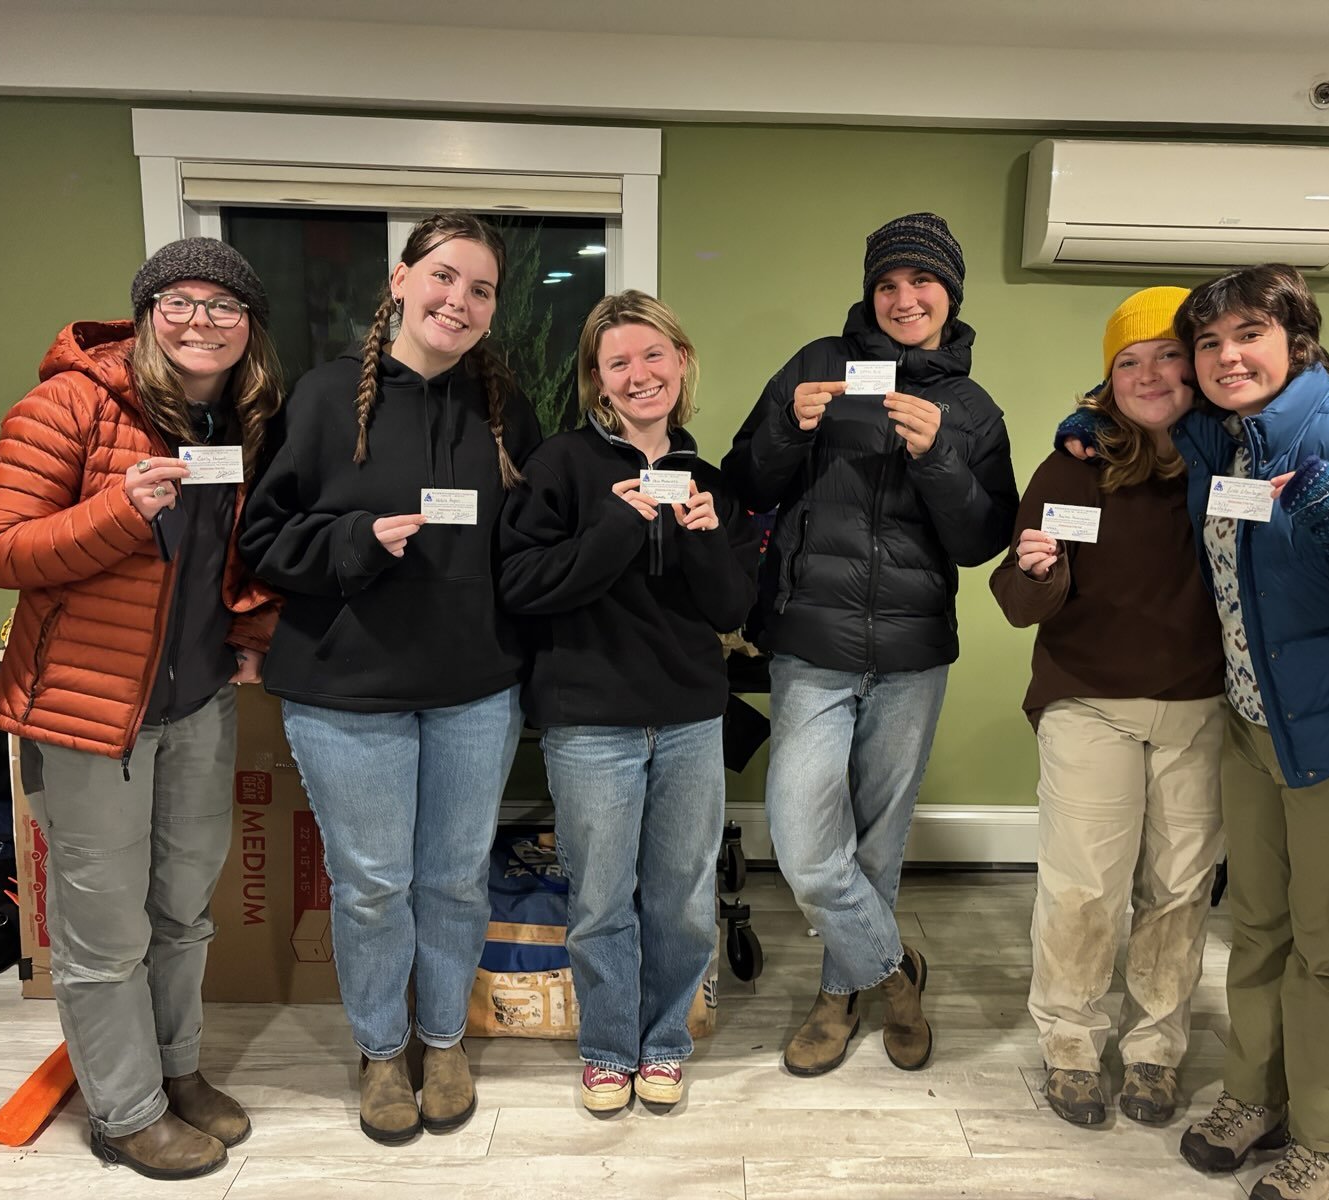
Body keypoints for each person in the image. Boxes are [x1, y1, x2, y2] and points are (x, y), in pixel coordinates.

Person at [1060, 264, 1329, 1199]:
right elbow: (1143, 407)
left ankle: (1328, 1139)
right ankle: (1255, 1094)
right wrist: (1085, 425)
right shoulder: (1222, 439)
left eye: (1248, 334)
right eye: (1209, 343)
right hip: (1255, 728)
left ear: (1299, 341)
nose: (1223, 356)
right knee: (1257, 931)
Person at [0, 238, 282, 1180]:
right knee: (104, 932)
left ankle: (177, 1074)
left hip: (196, 707)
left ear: (248, 331)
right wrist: (117, 510)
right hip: (86, 714)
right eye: (181, 301)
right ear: (147, 313)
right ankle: (124, 1110)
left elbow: (240, 557)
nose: (203, 321)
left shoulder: (238, 421)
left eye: (225, 307)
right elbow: (1, 549)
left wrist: (253, 633)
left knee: (184, 910)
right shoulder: (65, 405)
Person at [240, 213, 541, 1145]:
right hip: (344, 686)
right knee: (371, 884)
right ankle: (379, 1050)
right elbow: (262, 538)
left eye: (481, 289)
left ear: (493, 310)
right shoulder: (327, 399)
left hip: (475, 686)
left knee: (452, 879)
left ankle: (442, 1039)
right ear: (401, 279)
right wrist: (354, 541)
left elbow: (531, 544)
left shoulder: (508, 408)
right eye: (445, 277)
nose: (459, 300)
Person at [721, 212, 1018, 1077]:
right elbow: (743, 481)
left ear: (950, 294)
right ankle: (894, 973)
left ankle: (835, 993)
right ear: (869, 292)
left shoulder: (971, 408)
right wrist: (786, 427)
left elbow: (981, 540)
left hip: (914, 654)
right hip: (811, 644)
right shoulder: (818, 363)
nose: (903, 299)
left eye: (921, 284)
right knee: (809, 848)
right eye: (887, 284)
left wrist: (939, 463)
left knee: (877, 845)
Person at [498, 290, 757, 1112]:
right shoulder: (561, 468)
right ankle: (609, 1048)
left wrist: (711, 534)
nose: (640, 374)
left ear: (681, 365)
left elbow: (728, 611)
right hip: (590, 722)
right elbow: (521, 584)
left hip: (689, 717)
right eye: (620, 363)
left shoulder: (707, 478)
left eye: (654, 356)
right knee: (602, 898)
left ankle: (665, 1044)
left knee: (681, 898)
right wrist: (612, 530)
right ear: (597, 382)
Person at [992, 287, 1226, 1129]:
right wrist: (1040, 570)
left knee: (1179, 887)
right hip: (1088, 702)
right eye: (1129, 361)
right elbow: (1021, 601)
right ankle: (1071, 1043)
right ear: (1108, 378)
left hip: (1201, 706)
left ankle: (1157, 1049)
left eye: (1168, 354)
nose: (1150, 374)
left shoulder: (1231, 463)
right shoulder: (1074, 464)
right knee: (1086, 887)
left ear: (1199, 365)